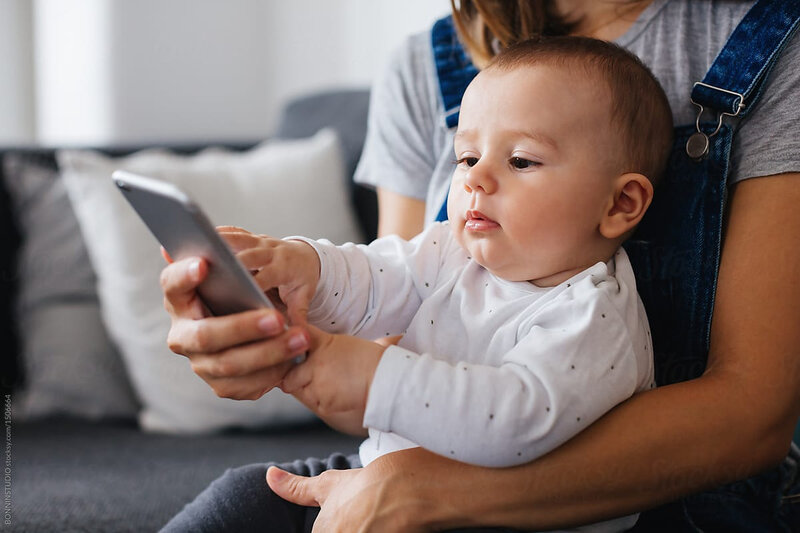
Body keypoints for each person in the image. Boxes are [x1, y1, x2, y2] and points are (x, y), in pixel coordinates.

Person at [160, 0, 800, 531]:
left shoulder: (590, 313)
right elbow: (380, 276)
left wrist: (372, 378)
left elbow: (512, 418)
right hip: (391, 470)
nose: (475, 182)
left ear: (622, 203)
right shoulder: (453, 248)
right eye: (466, 160)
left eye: (521, 161)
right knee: (237, 501)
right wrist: (299, 273)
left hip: (531, 510)